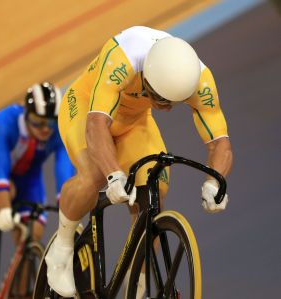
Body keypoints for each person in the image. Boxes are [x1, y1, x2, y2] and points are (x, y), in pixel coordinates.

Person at [44, 26, 233, 297]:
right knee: (94, 174)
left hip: (134, 122)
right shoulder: (122, 57)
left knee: (154, 193)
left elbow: (220, 142)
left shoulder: (198, 79)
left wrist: (215, 183)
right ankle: (61, 249)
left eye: (173, 102)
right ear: (146, 77)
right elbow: (96, 125)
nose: (166, 107)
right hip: (86, 107)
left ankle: (138, 278)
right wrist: (113, 174)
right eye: (160, 99)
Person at [0, 82, 75, 289]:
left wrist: (67, 209)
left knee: (35, 233)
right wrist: (4, 207)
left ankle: (20, 288)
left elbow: (64, 172)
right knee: (8, 191)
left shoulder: (58, 131)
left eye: (50, 123)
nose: (44, 129)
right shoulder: (6, 120)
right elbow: (2, 169)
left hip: (29, 179)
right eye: (37, 122)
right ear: (26, 113)